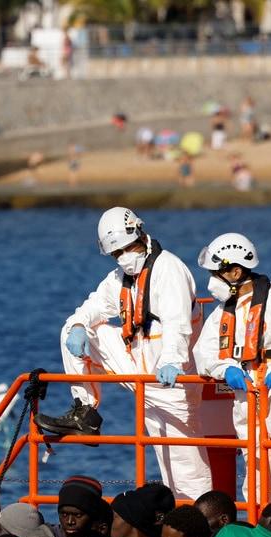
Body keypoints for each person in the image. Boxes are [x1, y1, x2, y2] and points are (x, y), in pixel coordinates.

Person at [35, 207, 212, 500]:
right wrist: (79, 325)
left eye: (128, 248)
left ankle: (203, 520)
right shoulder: (121, 278)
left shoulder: (168, 270)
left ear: (141, 236)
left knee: (182, 464)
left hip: (173, 381)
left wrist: (171, 360)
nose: (124, 257)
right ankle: (84, 411)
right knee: (72, 327)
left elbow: (178, 324)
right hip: (140, 369)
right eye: (117, 253)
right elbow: (93, 306)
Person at [193, 232, 271, 494]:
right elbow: (203, 353)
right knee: (255, 459)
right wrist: (226, 368)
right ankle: (258, 508)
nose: (212, 280)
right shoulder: (222, 313)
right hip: (247, 389)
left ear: (236, 272)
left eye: (216, 273)